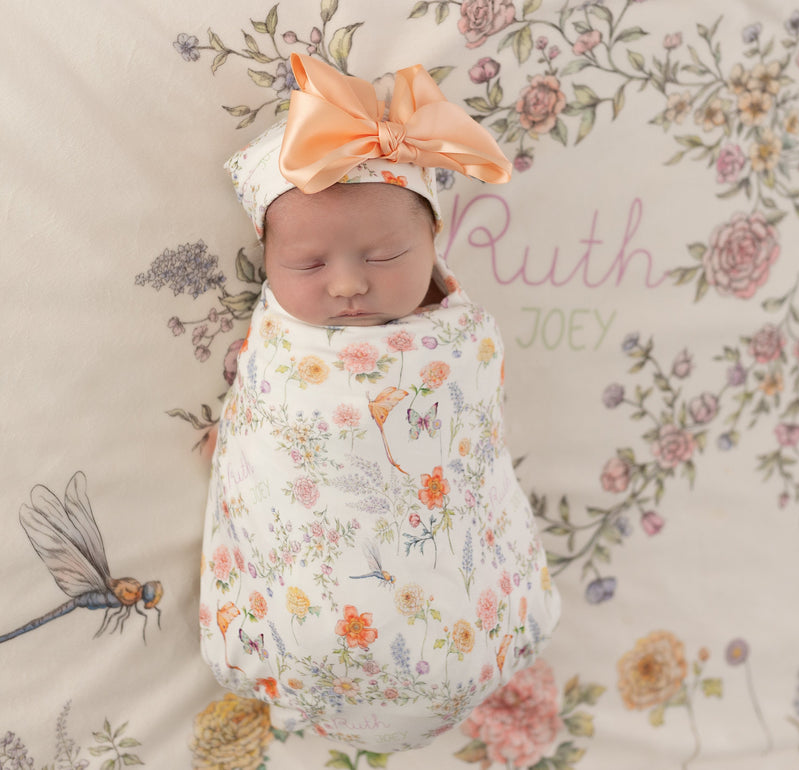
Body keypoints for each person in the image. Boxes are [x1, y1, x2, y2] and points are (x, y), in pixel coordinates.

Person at [198, 53, 561, 752]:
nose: (345, 287)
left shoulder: (459, 339)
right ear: (267, 264)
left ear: (432, 241)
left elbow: (471, 442)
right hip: (309, 631)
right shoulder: (283, 346)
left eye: (384, 256)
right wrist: (241, 442)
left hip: (470, 612)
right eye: (307, 265)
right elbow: (270, 419)